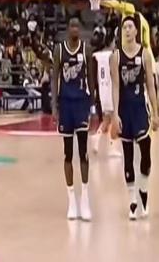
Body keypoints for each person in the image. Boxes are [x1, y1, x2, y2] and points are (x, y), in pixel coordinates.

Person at [110, 16, 159, 220]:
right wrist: (115, 114)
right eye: (125, 28)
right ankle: (132, 201)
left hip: (140, 108)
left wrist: (156, 112)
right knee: (128, 155)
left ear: (136, 31)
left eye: (130, 27)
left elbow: (150, 85)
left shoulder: (145, 54)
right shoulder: (116, 56)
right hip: (124, 109)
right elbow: (115, 87)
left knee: (145, 151)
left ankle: (144, 192)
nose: (128, 30)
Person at [52, 16, 95, 221]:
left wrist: (93, 104)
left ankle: (85, 198)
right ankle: (72, 201)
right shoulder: (59, 50)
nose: (75, 29)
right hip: (66, 105)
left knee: (83, 152)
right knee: (68, 153)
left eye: (78, 26)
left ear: (80, 29)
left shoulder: (86, 50)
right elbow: (55, 78)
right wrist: (54, 105)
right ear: (68, 29)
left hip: (81, 104)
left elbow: (91, 79)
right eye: (72, 26)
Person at [91, 32, 122, 156]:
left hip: (101, 91)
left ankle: (97, 139)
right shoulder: (113, 55)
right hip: (110, 90)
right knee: (114, 118)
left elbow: (93, 74)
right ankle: (112, 147)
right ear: (112, 42)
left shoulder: (96, 55)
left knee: (106, 120)